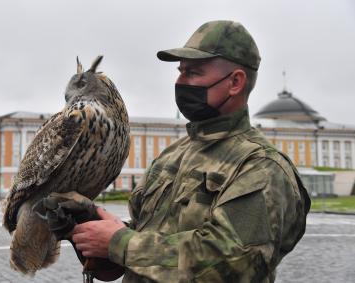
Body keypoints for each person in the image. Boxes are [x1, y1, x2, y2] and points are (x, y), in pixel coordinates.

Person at [71, 20, 311, 282]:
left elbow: (232, 262)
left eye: (193, 73)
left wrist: (120, 244)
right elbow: (147, 244)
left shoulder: (261, 167)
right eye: (180, 71)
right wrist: (94, 229)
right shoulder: (172, 157)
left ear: (235, 82)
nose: (180, 82)